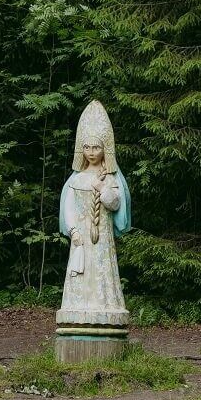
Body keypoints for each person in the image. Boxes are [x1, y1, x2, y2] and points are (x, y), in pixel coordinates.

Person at [57, 100, 131, 332]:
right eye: (87, 148)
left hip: (102, 238)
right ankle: (77, 307)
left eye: (96, 148)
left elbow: (115, 203)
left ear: (104, 149)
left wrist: (102, 188)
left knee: (101, 269)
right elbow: (68, 207)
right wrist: (73, 230)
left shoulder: (110, 177)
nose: (91, 153)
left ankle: (105, 306)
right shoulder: (77, 179)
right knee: (80, 270)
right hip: (80, 237)